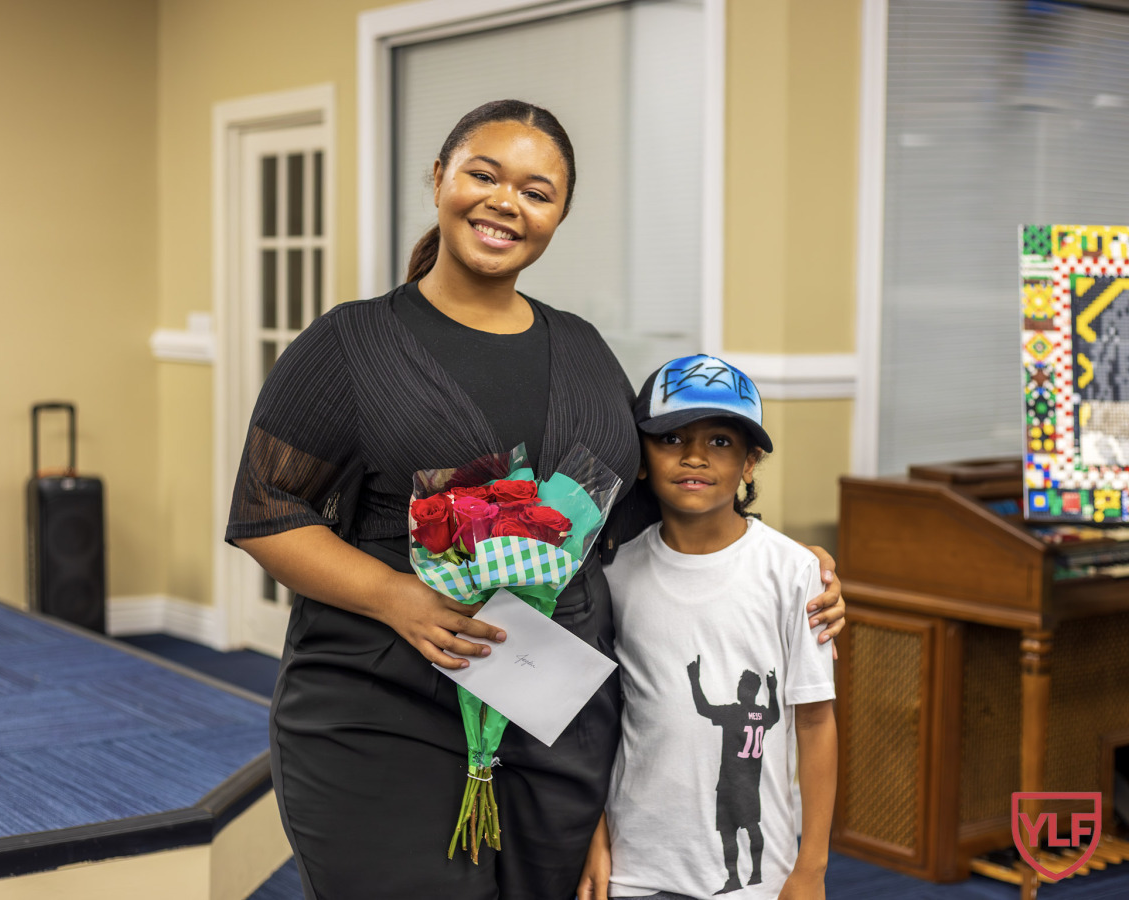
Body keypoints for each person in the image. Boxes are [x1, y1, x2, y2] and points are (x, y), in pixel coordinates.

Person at [225, 101, 845, 900]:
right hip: (381, 710)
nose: (505, 202)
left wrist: (781, 560)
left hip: (556, 722)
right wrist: (394, 596)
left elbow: (640, 511)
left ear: (559, 214)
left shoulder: (582, 351)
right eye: (483, 175)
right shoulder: (351, 343)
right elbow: (267, 506)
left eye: (536, 191)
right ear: (438, 179)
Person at [579, 354, 838, 900]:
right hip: (634, 866)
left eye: (720, 441)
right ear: (642, 458)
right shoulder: (613, 574)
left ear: (750, 463)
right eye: (671, 438)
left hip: (756, 882)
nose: (694, 456)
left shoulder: (795, 572)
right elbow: (594, 721)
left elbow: (816, 723)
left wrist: (812, 868)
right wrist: (595, 835)